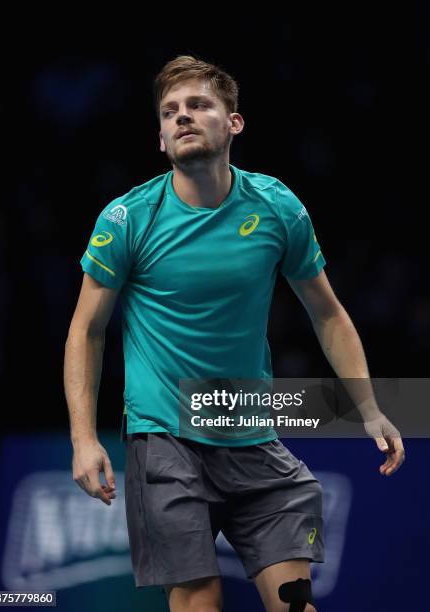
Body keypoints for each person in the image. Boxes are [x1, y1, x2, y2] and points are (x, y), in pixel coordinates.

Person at [64, 55, 405, 612]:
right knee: (201, 601)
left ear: (234, 123)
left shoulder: (276, 207)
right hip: (163, 437)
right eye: (170, 112)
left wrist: (367, 407)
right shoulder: (128, 218)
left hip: (249, 432)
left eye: (199, 105)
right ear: (160, 137)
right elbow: (86, 330)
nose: (183, 117)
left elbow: (328, 313)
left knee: (295, 602)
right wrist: (83, 437)